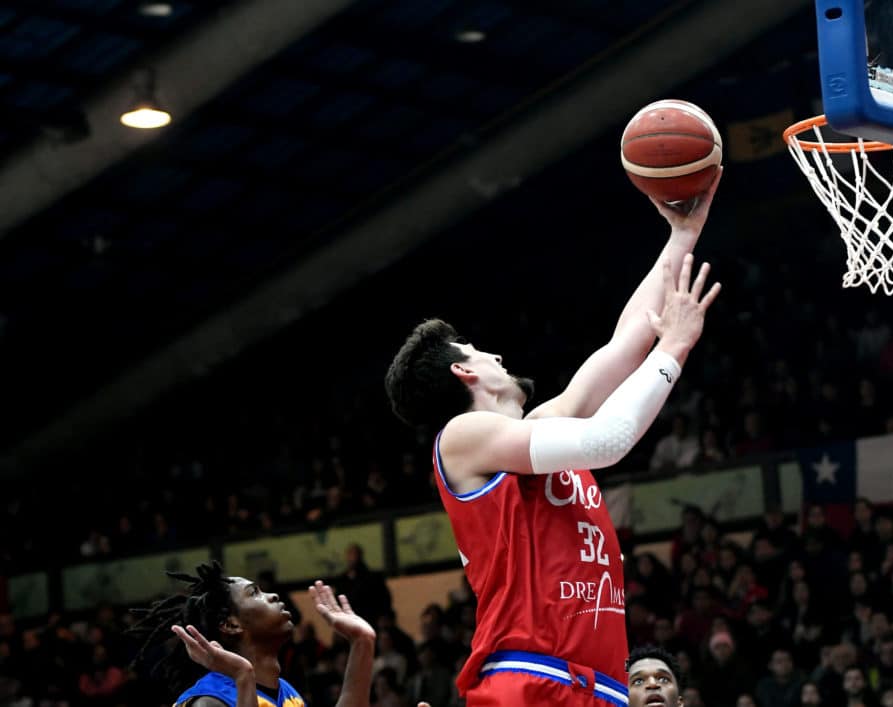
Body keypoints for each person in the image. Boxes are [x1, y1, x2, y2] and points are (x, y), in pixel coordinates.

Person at [385, 179, 722, 706]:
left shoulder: (535, 433)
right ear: (463, 372)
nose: (494, 355)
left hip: (599, 686)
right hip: (533, 677)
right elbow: (610, 440)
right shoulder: (461, 438)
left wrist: (682, 235)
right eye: (478, 351)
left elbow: (625, 342)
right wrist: (675, 346)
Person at [128, 561, 379, 707]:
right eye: (254, 593)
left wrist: (362, 642)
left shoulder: (287, 694)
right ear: (231, 624)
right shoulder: (208, 701)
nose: (272, 595)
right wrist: (243, 677)